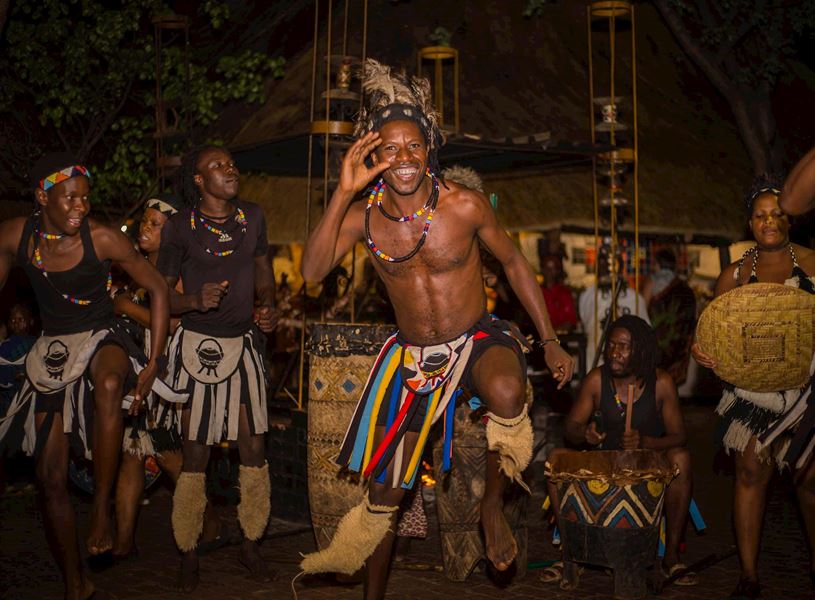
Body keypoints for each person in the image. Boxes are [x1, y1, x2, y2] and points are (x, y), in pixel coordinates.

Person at [298, 59, 574, 599]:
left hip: (476, 339)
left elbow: (516, 265)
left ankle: (491, 505)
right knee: (386, 493)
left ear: (429, 151)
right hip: (415, 359)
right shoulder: (363, 216)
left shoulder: (463, 206)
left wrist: (549, 338)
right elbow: (311, 274)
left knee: (507, 390)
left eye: (414, 147)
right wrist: (341, 192)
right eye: (390, 149)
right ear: (374, 156)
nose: (403, 159)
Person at [0, 153, 169, 600]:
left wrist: (152, 362)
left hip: (102, 334)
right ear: (42, 197)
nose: (81, 206)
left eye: (85, 198)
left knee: (112, 384)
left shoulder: (104, 239)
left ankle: (101, 512)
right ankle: (76, 582)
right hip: (53, 344)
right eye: (69, 197)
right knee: (50, 476)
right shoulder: (16, 236)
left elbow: (156, 288)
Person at [157, 145, 278, 592]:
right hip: (197, 350)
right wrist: (193, 300)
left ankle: (250, 545)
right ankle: (187, 552)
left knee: (254, 450)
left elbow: (263, 271)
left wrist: (268, 307)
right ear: (198, 181)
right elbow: (160, 294)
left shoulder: (253, 217)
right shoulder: (179, 227)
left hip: (244, 344)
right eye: (217, 166)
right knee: (195, 456)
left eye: (230, 163)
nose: (230, 169)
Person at [692, 176, 815, 599]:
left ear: (790, 219)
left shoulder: (814, 264)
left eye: (777, 213)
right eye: (761, 215)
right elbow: (709, 333)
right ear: (750, 222)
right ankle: (748, 575)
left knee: (808, 479)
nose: (769, 221)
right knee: (749, 471)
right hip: (753, 396)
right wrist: (701, 352)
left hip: (807, 393)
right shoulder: (735, 273)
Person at [111, 193, 221, 562]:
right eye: (144, 221)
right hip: (144, 372)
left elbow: (173, 324)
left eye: (155, 225)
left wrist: (128, 307)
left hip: (171, 375)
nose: (145, 227)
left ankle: (209, 522)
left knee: (168, 454)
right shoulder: (141, 268)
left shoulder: (178, 275)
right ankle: (123, 542)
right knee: (132, 453)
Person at [557, 315, 695, 585]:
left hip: (649, 467)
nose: (614, 353)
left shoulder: (662, 383)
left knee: (682, 458)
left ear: (640, 350)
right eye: (611, 345)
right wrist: (585, 433)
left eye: (623, 346)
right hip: (607, 467)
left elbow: (680, 436)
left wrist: (647, 443)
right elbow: (570, 427)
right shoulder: (597, 380)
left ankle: (671, 558)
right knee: (557, 459)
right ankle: (572, 555)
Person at [579, 252, 649, 370]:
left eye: (608, 265)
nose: (604, 270)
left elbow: (645, 335)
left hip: (627, 368)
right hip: (596, 365)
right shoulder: (587, 296)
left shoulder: (635, 298)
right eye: (600, 266)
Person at [643, 249, 696, 385]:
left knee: (652, 379)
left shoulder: (651, 281)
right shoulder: (684, 287)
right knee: (669, 380)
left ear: (657, 264)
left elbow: (642, 308)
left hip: (655, 339)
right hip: (676, 342)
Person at [540, 254, 577, 334]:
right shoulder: (537, 291)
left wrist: (553, 332)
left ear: (557, 271)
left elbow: (570, 321)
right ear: (542, 270)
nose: (549, 271)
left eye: (552, 268)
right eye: (547, 268)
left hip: (559, 338)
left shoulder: (564, 293)